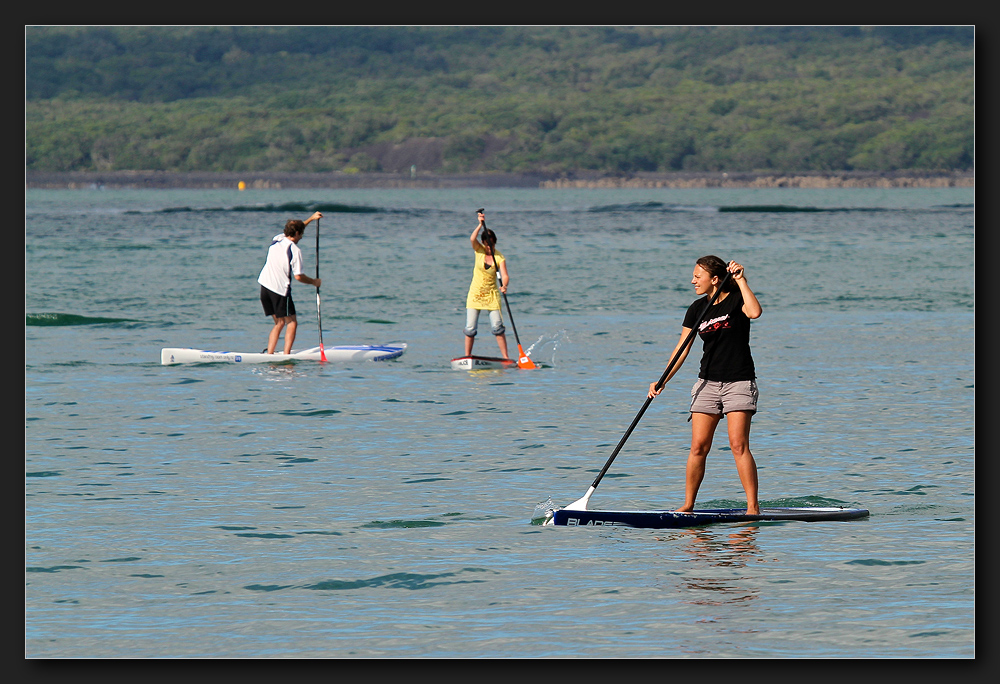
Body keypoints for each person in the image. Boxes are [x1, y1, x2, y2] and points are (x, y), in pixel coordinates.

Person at [647, 255, 763, 515]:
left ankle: (752, 508)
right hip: (707, 383)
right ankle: (688, 505)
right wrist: (663, 379)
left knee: (738, 445)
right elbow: (682, 348)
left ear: (714, 279)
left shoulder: (736, 299)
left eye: (697, 277)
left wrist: (741, 280)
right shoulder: (697, 308)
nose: (692, 281)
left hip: (739, 381)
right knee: (698, 447)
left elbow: (754, 312)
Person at [257, 212, 323, 354]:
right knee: (292, 322)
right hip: (280, 290)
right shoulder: (294, 250)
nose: (301, 238)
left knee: (279, 323)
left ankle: (270, 354)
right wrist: (314, 282)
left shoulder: (277, 239)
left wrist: (311, 219)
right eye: (301, 235)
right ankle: (286, 355)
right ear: (297, 234)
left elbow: (297, 228)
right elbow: (299, 276)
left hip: (264, 287)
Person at [463, 209, 510, 359]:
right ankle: (468, 356)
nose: (490, 248)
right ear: (483, 243)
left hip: (492, 296)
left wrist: (504, 285)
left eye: (492, 245)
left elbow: (505, 275)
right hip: (475, 294)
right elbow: (472, 239)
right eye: (487, 245)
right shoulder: (479, 250)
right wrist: (480, 224)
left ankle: (505, 357)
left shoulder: (499, 257)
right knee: (470, 328)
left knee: (498, 328)